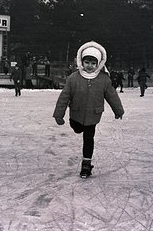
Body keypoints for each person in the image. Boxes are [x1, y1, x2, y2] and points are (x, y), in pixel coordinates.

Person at [53, 41, 124, 178]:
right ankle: (77, 127)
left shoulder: (104, 79)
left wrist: (118, 110)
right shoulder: (73, 78)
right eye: (87, 62)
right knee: (77, 128)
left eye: (93, 63)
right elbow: (64, 96)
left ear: (98, 64)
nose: (90, 66)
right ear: (81, 61)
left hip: (93, 115)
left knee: (89, 138)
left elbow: (112, 96)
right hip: (76, 113)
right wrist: (59, 114)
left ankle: (86, 164)